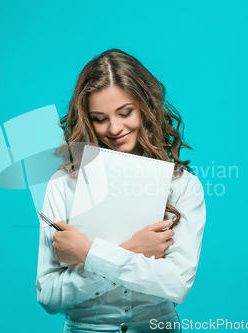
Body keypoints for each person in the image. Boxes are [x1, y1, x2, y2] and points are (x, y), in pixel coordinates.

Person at [36, 49, 206, 333]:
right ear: (87, 119)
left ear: (146, 107)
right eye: (100, 118)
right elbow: (49, 296)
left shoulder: (184, 186)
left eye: (125, 112)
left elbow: (176, 285)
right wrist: (132, 249)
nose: (114, 128)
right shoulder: (62, 184)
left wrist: (88, 253)